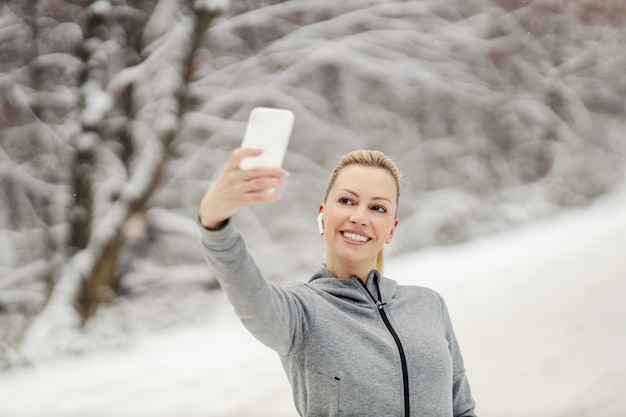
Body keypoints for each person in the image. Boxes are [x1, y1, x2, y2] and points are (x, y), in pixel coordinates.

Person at [198, 147, 477, 417]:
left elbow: (462, 409)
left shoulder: (428, 305)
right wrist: (215, 225)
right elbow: (251, 297)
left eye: (377, 207)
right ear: (323, 213)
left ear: (391, 229)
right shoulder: (302, 311)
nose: (359, 217)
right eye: (346, 201)